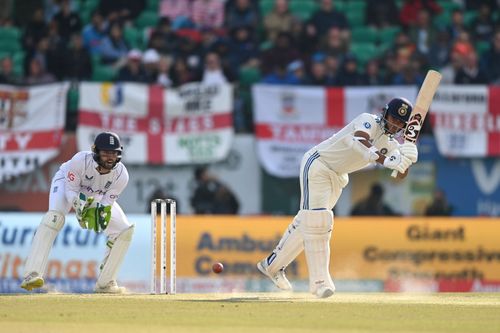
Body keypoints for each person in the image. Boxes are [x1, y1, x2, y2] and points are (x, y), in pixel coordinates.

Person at [257, 98, 418, 298]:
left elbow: (400, 174)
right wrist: (387, 160)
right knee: (318, 221)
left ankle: (271, 266)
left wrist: (407, 158)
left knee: (309, 223)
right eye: (393, 118)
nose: (395, 124)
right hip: (318, 164)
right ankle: (319, 282)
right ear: (385, 113)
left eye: (400, 122)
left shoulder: (392, 144)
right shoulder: (367, 120)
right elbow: (359, 141)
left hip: (338, 177)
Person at [20, 132, 133, 294]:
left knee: (124, 231)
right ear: (96, 152)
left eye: (114, 153)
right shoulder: (80, 160)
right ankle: (31, 274)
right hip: (66, 184)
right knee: (54, 218)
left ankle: (105, 283)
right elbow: (71, 191)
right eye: (106, 153)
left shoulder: (122, 175)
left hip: (95, 195)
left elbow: (106, 204)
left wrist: (99, 212)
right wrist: (80, 209)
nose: (110, 157)